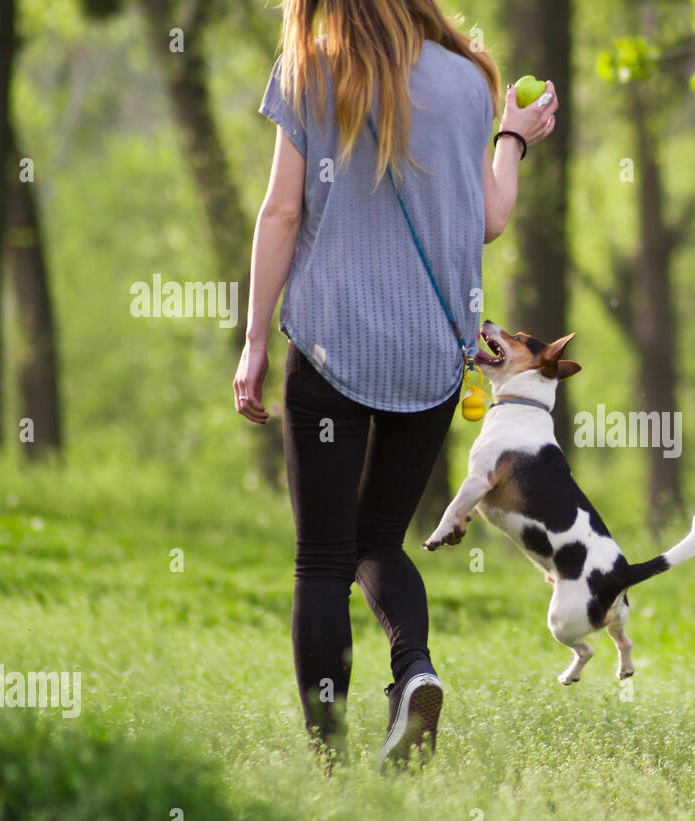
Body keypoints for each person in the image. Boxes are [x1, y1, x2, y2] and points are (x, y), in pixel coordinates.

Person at [231, 0, 558, 768]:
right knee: (381, 538)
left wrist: (251, 342)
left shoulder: (309, 69)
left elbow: (282, 213)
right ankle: (414, 670)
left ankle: (331, 760)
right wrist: (514, 134)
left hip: (330, 344)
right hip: (430, 354)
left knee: (322, 558)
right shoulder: (470, 77)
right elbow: (490, 217)